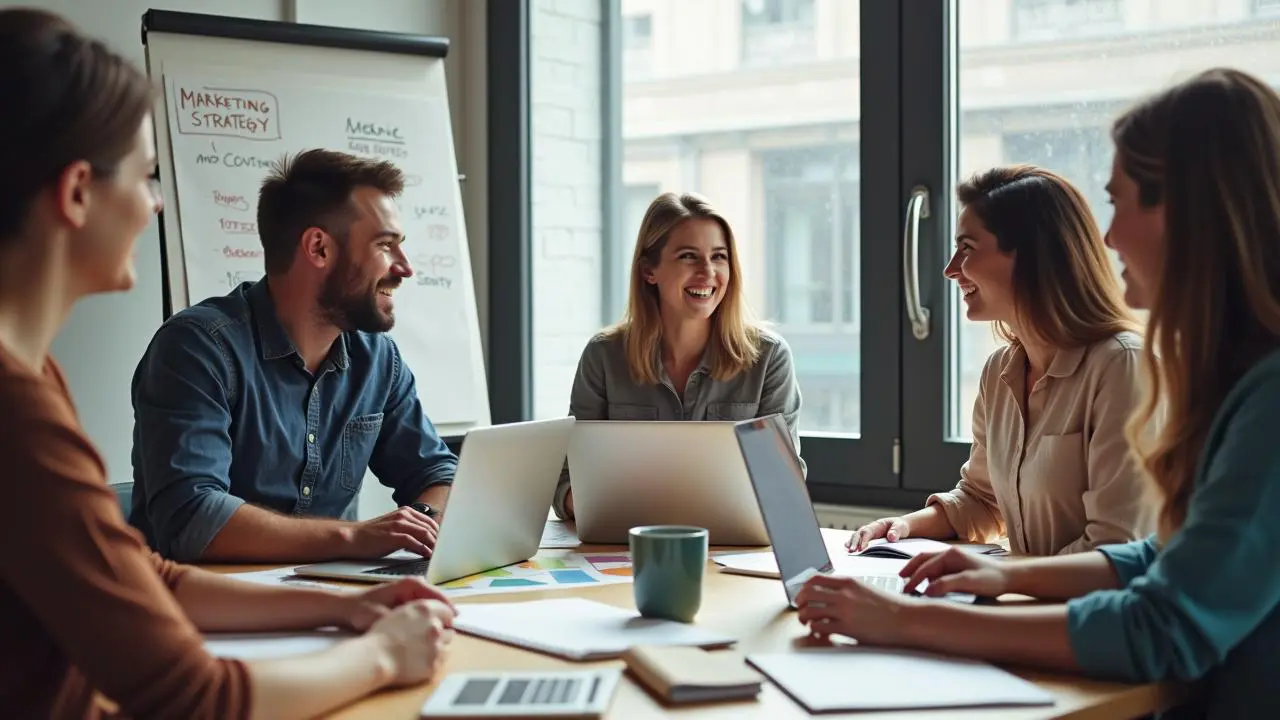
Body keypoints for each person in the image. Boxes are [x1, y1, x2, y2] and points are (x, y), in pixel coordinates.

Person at [0, 9, 457, 718]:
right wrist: (384, 653)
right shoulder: (18, 410)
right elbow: (196, 697)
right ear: (78, 192)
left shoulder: (34, 378)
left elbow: (143, 577)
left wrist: (346, 609)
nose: (156, 204)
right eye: (149, 176)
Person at [797, 67, 1280, 718]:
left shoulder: (1261, 397)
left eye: (1121, 203)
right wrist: (1001, 573)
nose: (1107, 238)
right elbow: (1160, 557)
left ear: (1191, 211)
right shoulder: (1235, 381)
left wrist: (906, 622)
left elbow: (1163, 624)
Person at [130, 148, 459, 563]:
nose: (405, 267)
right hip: (206, 610)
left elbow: (438, 474)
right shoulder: (197, 349)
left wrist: (423, 521)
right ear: (319, 248)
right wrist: (353, 538)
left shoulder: (378, 361)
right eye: (385, 246)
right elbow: (193, 519)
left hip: (325, 601)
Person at [848, 165, 1151, 556]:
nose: (950, 269)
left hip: (1084, 614)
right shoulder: (999, 372)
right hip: (1024, 604)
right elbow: (984, 501)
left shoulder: (1122, 366)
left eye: (968, 249)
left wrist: (999, 578)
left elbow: (1116, 548)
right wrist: (903, 527)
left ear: (1032, 258)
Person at [552, 191, 803, 520]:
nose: (708, 272)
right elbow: (566, 483)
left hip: (733, 552)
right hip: (625, 547)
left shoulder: (769, 357)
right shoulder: (603, 356)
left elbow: (783, 488)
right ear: (648, 271)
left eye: (718, 256)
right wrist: (597, 504)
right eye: (688, 256)